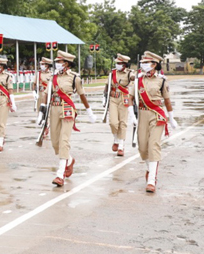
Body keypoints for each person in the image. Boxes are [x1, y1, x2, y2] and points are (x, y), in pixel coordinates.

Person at [47, 51, 95, 187]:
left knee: (64, 140)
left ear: (66, 63)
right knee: (55, 142)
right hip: (54, 108)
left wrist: (89, 111)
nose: (56, 64)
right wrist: (42, 110)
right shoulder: (53, 77)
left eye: (59, 61)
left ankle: (60, 174)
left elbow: (82, 95)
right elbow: (47, 94)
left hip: (67, 108)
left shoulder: (75, 78)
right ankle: (69, 160)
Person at [136, 51, 178, 193]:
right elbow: (130, 98)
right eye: (143, 62)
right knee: (142, 147)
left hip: (157, 115)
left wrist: (171, 118)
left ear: (154, 64)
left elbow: (166, 100)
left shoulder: (162, 80)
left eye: (146, 62)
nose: (143, 65)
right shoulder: (138, 80)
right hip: (142, 114)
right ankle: (150, 168)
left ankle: (152, 179)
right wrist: (131, 114)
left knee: (153, 144)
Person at [105, 54, 137, 157]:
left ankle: (121, 146)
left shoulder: (129, 73)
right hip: (113, 98)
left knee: (123, 122)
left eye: (119, 63)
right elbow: (107, 85)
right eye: (117, 63)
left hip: (124, 98)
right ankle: (116, 138)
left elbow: (133, 77)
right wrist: (104, 98)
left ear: (124, 64)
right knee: (113, 122)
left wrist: (135, 77)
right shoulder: (112, 73)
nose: (117, 65)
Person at [34, 57, 52, 122]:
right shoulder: (38, 74)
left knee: (47, 109)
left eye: (43, 64)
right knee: (39, 109)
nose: (41, 66)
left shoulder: (51, 74)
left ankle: (46, 121)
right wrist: (34, 93)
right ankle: (41, 121)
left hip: (48, 94)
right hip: (40, 93)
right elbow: (34, 84)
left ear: (47, 65)